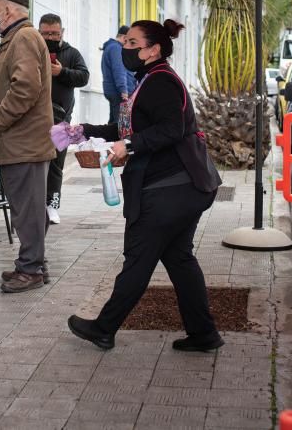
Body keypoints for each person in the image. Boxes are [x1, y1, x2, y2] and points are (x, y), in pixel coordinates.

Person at [62, 19, 224, 351]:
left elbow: (170, 129)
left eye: (133, 43)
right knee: (179, 259)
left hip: (171, 190)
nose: (125, 47)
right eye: (125, 41)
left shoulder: (162, 82)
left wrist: (130, 146)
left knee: (138, 259)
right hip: (182, 188)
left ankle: (104, 328)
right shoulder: (147, 80)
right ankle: (204, 333)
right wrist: (83, 131)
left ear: (153, 50)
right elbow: (126, 127)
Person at [0, 0, 55, 293]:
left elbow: (25, 87)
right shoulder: (17, 38)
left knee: (27, 209)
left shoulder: (22, 37)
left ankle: (31, 270)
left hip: (23, 143)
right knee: (27, 208)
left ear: (8, 11)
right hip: (20, 143)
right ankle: (34, 263)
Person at [39, 13, 89, 224]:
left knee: (56, 164)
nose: (50, 37)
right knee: (33, 163)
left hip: (62, 120)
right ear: (39, 32)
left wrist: (62, 72)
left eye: (54, 33)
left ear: (62, 33)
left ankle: (53, 205)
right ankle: (34, 204)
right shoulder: (33, 50)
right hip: (34, 119)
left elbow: (84, 77)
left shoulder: (71, 53)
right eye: (46, 33)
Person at [101, 25, 136, 125]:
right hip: (119, 93)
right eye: (130, 41)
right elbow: (119, 70)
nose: (130, 45)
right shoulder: (116, 48)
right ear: (125, 38)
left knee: (114, 122)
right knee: (120, 124)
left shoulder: (111, 47)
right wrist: (123, 90)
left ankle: (109, 139)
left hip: (115, 91)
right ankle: (118, 140)